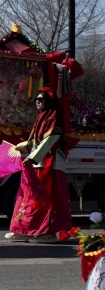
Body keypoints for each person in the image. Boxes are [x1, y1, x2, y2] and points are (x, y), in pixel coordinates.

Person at [5, 89, 73, 243]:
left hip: (51, 165)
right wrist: (18, 147)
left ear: (48, 101)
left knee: (47, 199)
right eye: (36, 99)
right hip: (39, 164)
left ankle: (47, 232)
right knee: (31, 198)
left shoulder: (54, 117)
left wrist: (33, 158)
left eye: (40, 99)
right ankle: (25, 229)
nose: (37, 102)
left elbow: (50, 141)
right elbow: (33, 142)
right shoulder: (41, 118)